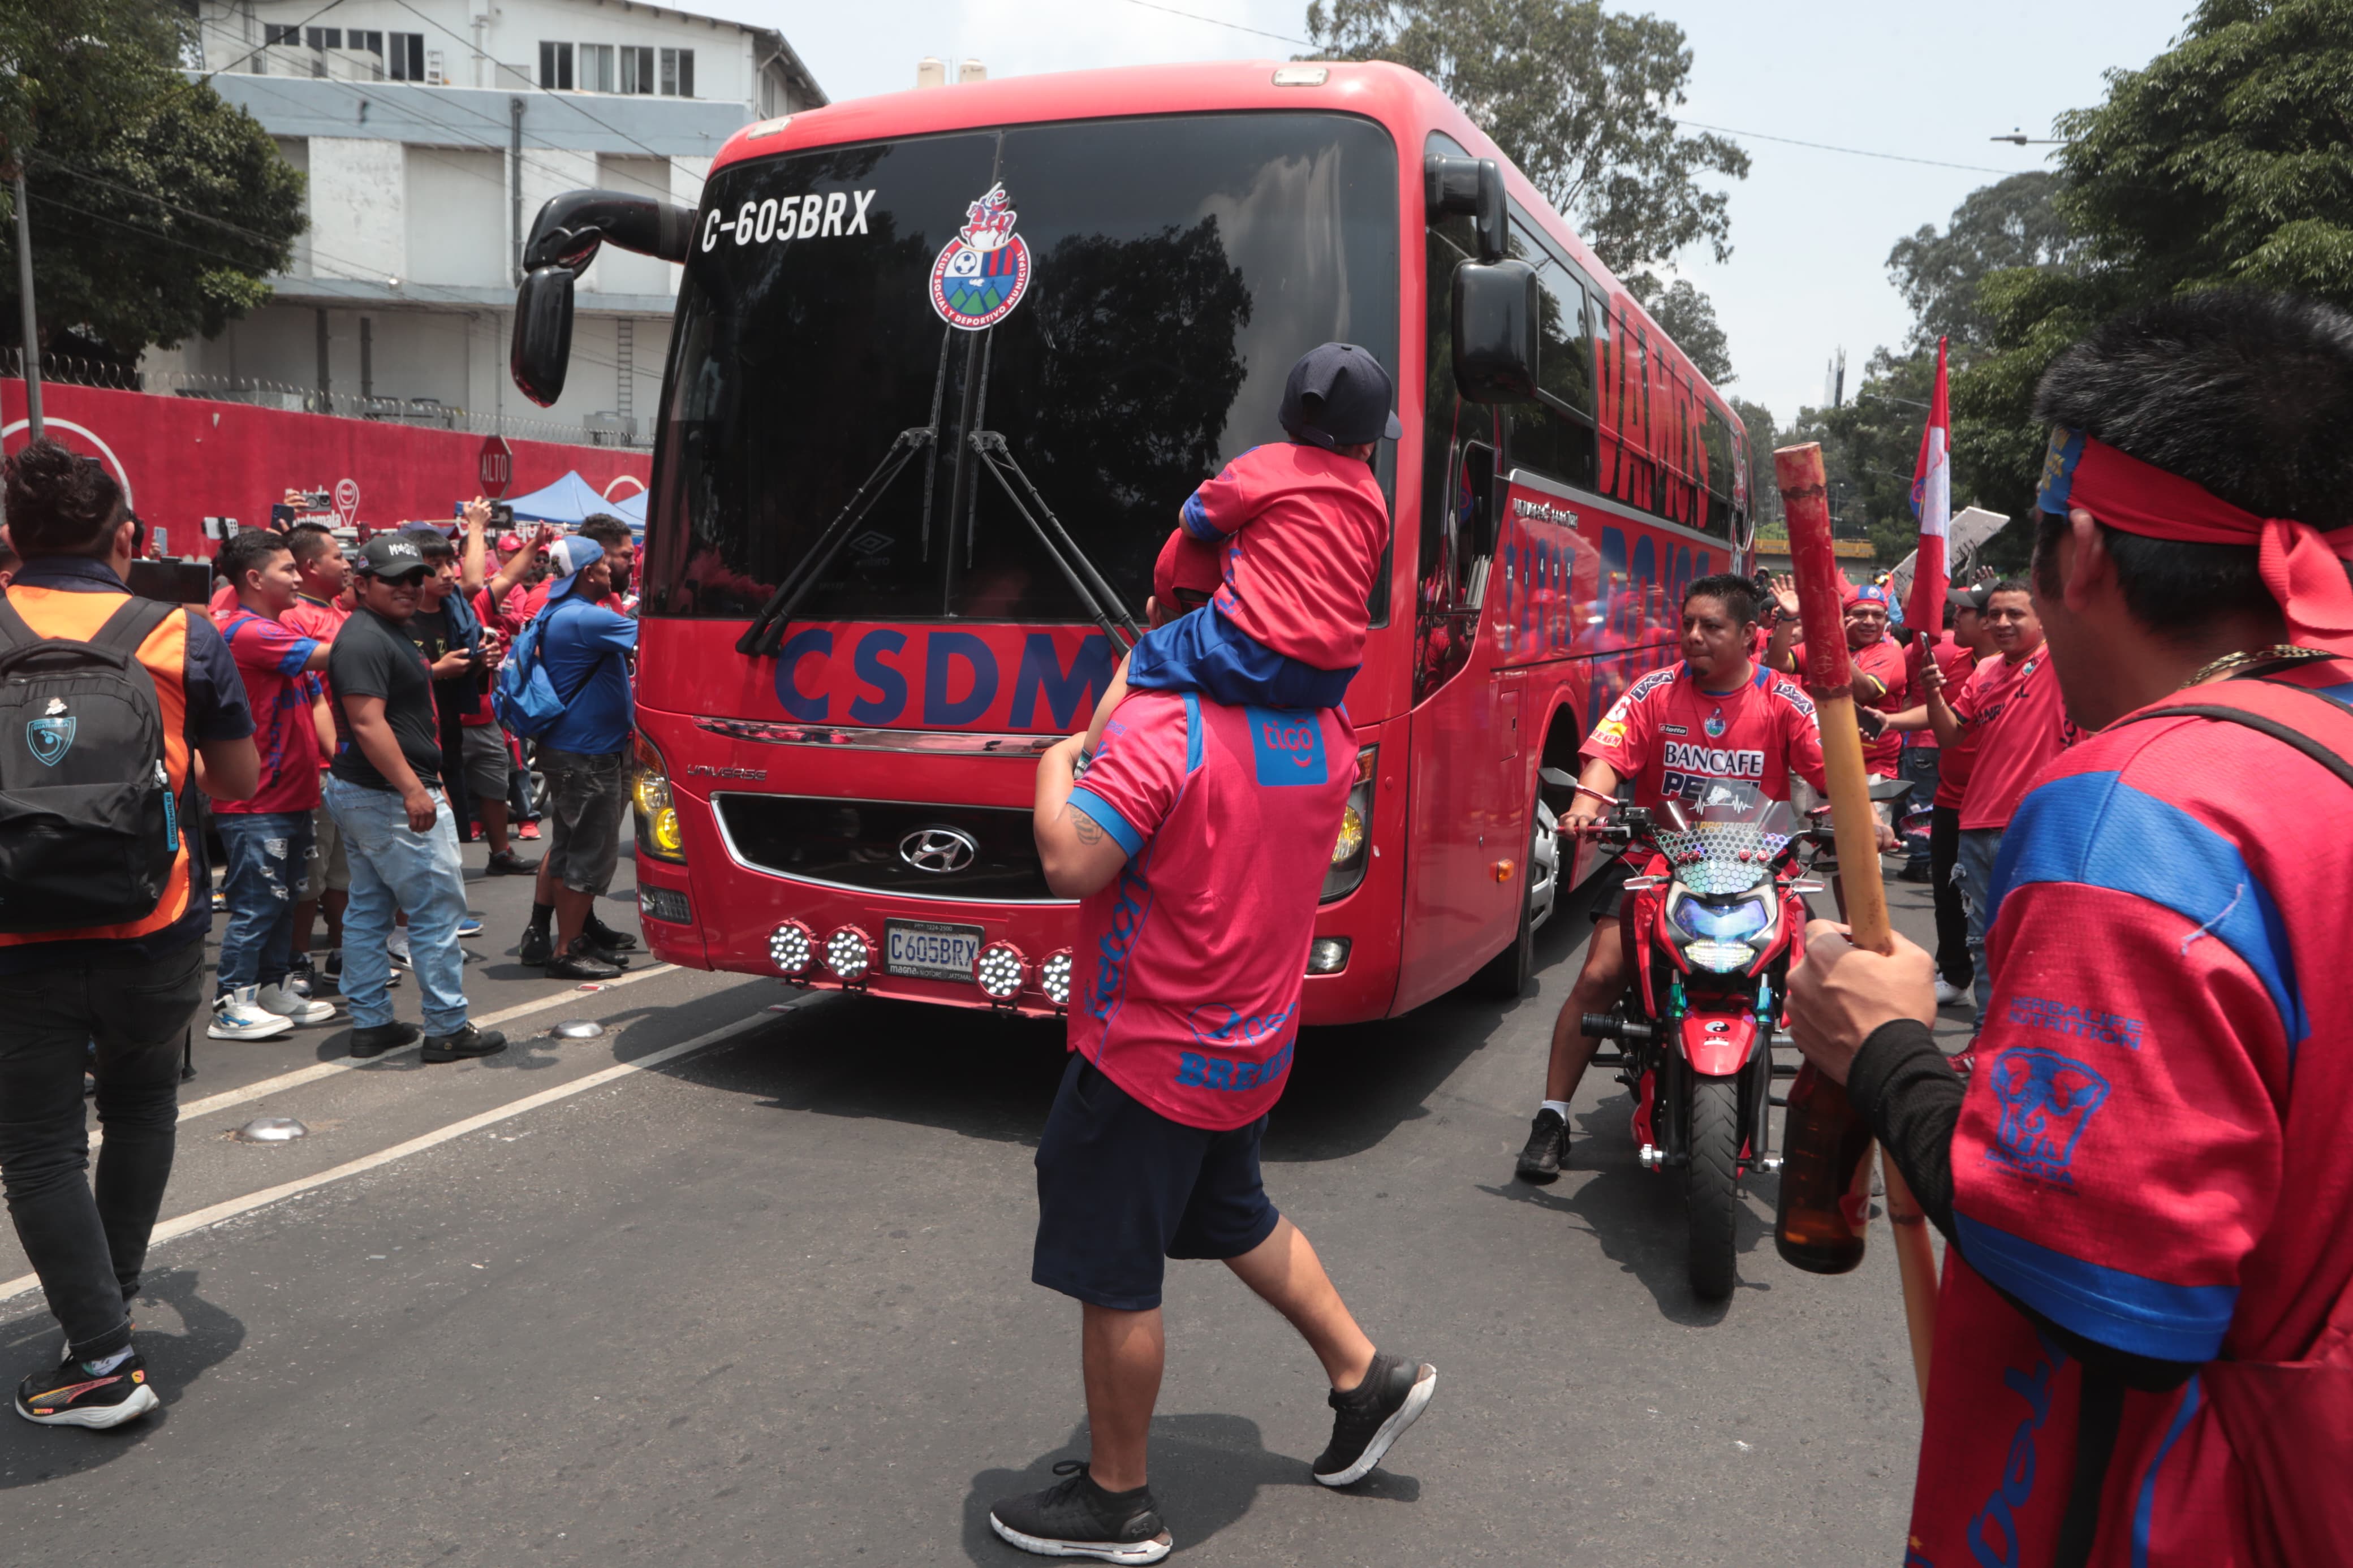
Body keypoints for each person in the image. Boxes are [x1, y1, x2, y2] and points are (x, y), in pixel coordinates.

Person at [1786, 290, 2353, 1567]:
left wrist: (1884, 1051)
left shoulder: (2142, 811)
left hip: (2177, 1515)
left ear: (2081, 552)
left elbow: (2105, 1283)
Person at [989, 600, 1434, 1565]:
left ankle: (1117, 1500)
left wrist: (1053, 763)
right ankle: (1366, 1378)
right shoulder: (1325, 728)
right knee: (1234, 1213)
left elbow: (1071, 858)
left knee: (1114, 1269)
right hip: (1250, 1039)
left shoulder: (1167, 723)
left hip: (1145, 1046)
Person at [0, 439, 258, 1428]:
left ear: (13, 539)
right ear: (129, 538)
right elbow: (234, 784)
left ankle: (100, 1350)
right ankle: (104, 1317)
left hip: (15, 933)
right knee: (143, 1107)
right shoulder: (180, 633)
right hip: (152, 923)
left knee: (37, 1145)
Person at [1518, 574, 1830, 1182]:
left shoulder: (1786, 699)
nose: (1693, 636)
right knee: (1600, 974)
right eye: (1687, 623)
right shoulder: (1653, 692)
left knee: (1826, 984)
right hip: (1658, 857)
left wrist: (1862, 816)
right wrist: (1588, 805)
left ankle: (1838, 1136)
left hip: (1758, 866)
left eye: (1710, 626)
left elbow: (1834, 772)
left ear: (1748, 635)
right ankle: (1551, 1116)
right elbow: (1606, 758)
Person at [1079, 343, 1399, 758]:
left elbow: (1190, 522)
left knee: (1137, 662)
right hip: (1333, 677)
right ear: (1368, 446)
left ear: (1288, 421)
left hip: (1251, 651)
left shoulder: (1264, 466)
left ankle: (1085, 766)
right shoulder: (1375, 501)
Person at [324, 535, 506, 1063]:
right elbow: (365, 721)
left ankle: (373, 1022)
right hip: (384, 793)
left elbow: (397, 698)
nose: (409, 587)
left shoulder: (387, 630)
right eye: (393, 579)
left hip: (374, 791)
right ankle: (447, 1026)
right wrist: (411, 787)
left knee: (370, 909)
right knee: (434, 912)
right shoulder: (363, 638)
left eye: (413, 577)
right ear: (361, 585)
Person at [206, 530, 341, 1039]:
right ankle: (231, 1001)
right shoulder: (246, 631)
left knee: (285, 898)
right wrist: (378, 629)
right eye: (288, 569)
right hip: (256, 801)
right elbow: (331, 657)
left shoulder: (277, 628)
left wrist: (335, 758)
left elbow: (316, 698)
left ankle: (271, 986)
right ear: (255, 578)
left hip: (293, 793)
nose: (298, 577)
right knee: (258, 903)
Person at [515, 534, 643, 980]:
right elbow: (655, 633)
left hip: (572, 748)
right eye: (607, 563)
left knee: (570, 847)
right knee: (588, 853)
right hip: (589, 752)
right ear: (589, 572)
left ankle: (573, 939)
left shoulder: (557, 609)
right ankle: (567, 949)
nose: (612, 569)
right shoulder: (588, 618)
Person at [1881, 581, 1999, 1003]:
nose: (1955, 619)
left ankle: (2000, 998)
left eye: (1964, 612)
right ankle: (1954, 972)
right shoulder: (1957, 659)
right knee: (1947, 892)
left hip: (2000, 808)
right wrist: (1890, 721)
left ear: (1990, 621)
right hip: (1952, 796)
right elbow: (1944, 717)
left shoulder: (2034, 668)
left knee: (1997, 907)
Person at [282, 524, 357, 989]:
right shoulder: (296, 620)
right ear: (311, 566)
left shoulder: (337, 615)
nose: (348, 564)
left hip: (349, 764)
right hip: (316, 766)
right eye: (338, 556)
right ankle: (296, 959)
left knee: (343, 871)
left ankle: (344, 953)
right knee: (310, 870)